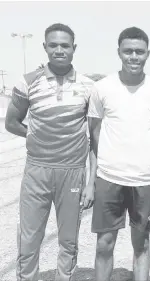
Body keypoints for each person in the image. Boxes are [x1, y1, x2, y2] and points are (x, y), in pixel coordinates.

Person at [5, 23, 96, 281]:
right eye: (53, 45)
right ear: (44, 47)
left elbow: (95, 136)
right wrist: (33, 134)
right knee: (30, 238)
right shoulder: (27, 81)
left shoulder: (88, 86)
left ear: (73, 49)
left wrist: (91, 182)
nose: (59, 50)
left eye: (65, 45)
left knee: (68, 240)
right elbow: (11, 122)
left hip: (72, 171)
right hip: (37, 170)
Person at [87, 27, 150, 281]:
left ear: (147, 54)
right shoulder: (101, 88)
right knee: (104, 245)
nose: (134, 56)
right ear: (119, 52)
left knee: (141, 244)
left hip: (144, 180)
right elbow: (95, 135)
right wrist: (95, 177)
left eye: (139, 52)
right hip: (110, 179)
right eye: (128, 51)